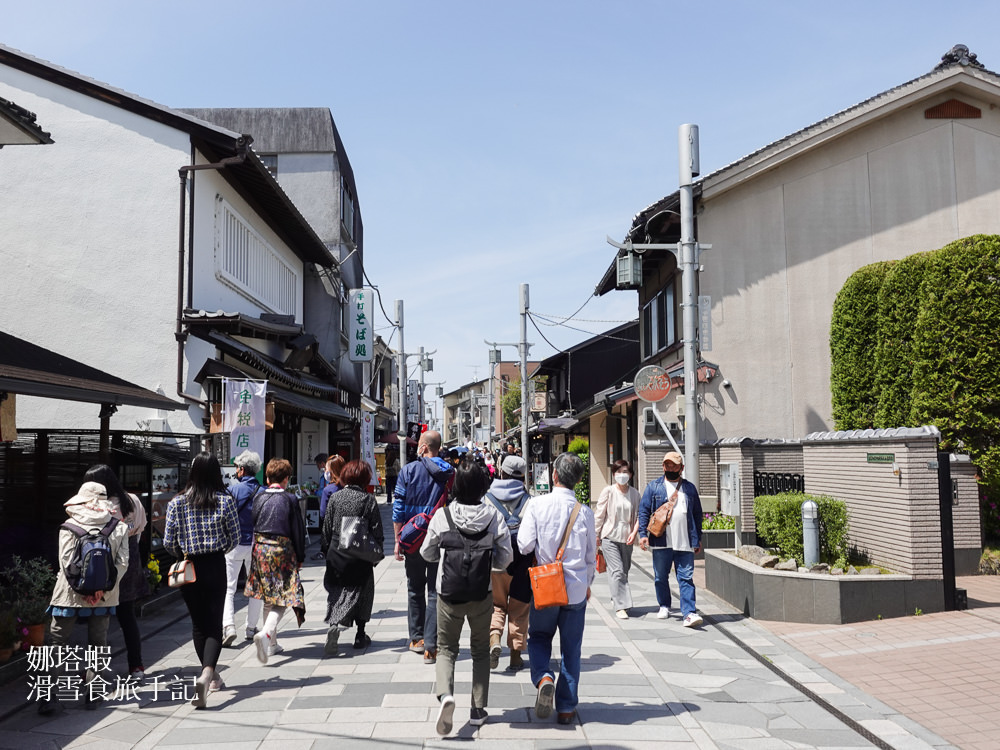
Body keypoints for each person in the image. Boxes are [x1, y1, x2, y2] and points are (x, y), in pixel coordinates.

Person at [420, 459, 513, 734]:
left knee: (447, 648)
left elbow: (426, 552)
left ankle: (446, 695)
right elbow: (506, 556)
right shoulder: (494, 516)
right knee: (480, 651)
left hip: (447, 593)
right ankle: (477, 709)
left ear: (456, 486)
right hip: (481, 592)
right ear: (483, 486)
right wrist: (491, 564)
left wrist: (441, 555)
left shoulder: (443, 516)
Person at [518, 452, 596, 726]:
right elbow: (590, 556)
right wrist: (587, 585)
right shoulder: (585, 512)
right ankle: (565, 708)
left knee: (539, 637)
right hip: (575, 590)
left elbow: (524, 545)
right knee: (571, 649)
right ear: (577, 481)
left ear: (554, 475)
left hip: (546, 587)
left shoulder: (537, 505)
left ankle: (544, 677)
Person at [38, 481, 130, 715]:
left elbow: (66, 564)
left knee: (57, 643)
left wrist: (83, 590)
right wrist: (102, 589)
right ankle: (92, 693)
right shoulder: (118, 527)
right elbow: (123, 563)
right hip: (104, 598)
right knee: (98, 645)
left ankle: (48, 697)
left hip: (68, 596)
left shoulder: (69, 526)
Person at [163, 452, 240, 708]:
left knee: (198, 626)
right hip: (215, 564)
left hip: (189, 567)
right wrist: (220, 549)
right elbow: (235, 537)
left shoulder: (177, 503)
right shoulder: (224, 500)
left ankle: (210, 675)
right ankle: (208, 675)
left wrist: (182, 552)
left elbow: (168, 542)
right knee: (215, 625)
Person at [392, 430, 454, 665]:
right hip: (440, 537)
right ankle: (431, 646)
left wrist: (399, 538)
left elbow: (398, 507)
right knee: (435, 591)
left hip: (414, 537)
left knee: (414, 588)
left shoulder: (408, 471)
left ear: (424, 448)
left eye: (419, 444)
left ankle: (416, 639)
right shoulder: (450, 473)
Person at [82, 465, 149, 683]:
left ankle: (95, 671)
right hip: (130, 561)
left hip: (103, 564)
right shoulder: (132, 500)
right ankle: (136, 665)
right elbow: (141, 527)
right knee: (127, 617)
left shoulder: (98, 506)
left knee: (99, 619)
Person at [247, 457, 307, 664]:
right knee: (285, 596)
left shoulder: (259, 497)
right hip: (282, 550)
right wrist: (300, 556)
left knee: (268, 597)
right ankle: (266, 634)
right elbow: (298, 530)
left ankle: (272, 645)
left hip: (260, 549)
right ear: (287, 479)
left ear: (267, 476)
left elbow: (254, 522)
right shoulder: (290, 499)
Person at [322, 459, 384, 655]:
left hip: (336, 552)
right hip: (359, 554)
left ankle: (333, 624)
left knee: (336, 592)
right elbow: (377, 530)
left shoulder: (335, 498)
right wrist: (376, 553)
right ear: (365, 478)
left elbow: (326, 528)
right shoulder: (368, 500)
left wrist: (326, 551)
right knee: (363, 593)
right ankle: (360, 634)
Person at [637, 451, 704, 628]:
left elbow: (697, 514)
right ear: (663, 466)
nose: (670, 468)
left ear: (681, 468)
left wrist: (697, 538)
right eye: (668, 465)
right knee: (660, 576)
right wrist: (643, 535)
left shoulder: (689, 488)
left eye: (674, 465)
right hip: (661, 541)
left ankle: (689, 613)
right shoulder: (654, 487)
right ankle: (664, 604)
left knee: (686, 578)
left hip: (685, 541)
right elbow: (643, 511)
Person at [486, 454, 532, 671]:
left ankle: (494, 638)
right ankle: (515, 655)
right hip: (522, 563)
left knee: (497, 605)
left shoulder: (486, 497)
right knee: (519, 608)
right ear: (523, 476)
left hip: (495, 562)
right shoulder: (529, 500)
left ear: (500, 471)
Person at [222, 450, 263, 646]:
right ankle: (251, 627)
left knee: (229, 587)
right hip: (256, 543)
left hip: (235, 543)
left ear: (241, 470)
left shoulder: (233, 491)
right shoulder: (262, 492)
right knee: (255, 587)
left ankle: (229, 626)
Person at [593, 458, 641, 619]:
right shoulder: (609, 491)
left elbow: (639, 516)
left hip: (627, 537)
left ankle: (616, 597)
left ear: (631, 474)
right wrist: (596, 535)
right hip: (609, 537)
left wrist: (634, 533)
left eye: (625, 472)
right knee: (617, 570)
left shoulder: (635, 493)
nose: (622, 475)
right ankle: (621, 606)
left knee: (624, 571)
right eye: (619, 472)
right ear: (614, 474)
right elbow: (599, 515)